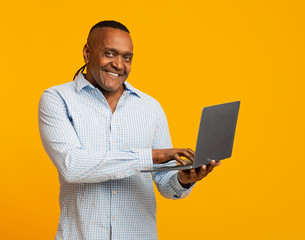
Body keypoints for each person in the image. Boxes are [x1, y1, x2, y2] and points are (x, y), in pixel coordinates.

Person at [38, 20, 220, 240]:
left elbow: (165, 184)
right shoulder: (57, 99)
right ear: (87, 52)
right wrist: (150, 156)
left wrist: (184, 179)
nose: (119, 64)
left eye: (127, 57)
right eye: (110, 54)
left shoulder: (150, 107)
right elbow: (73, 166)